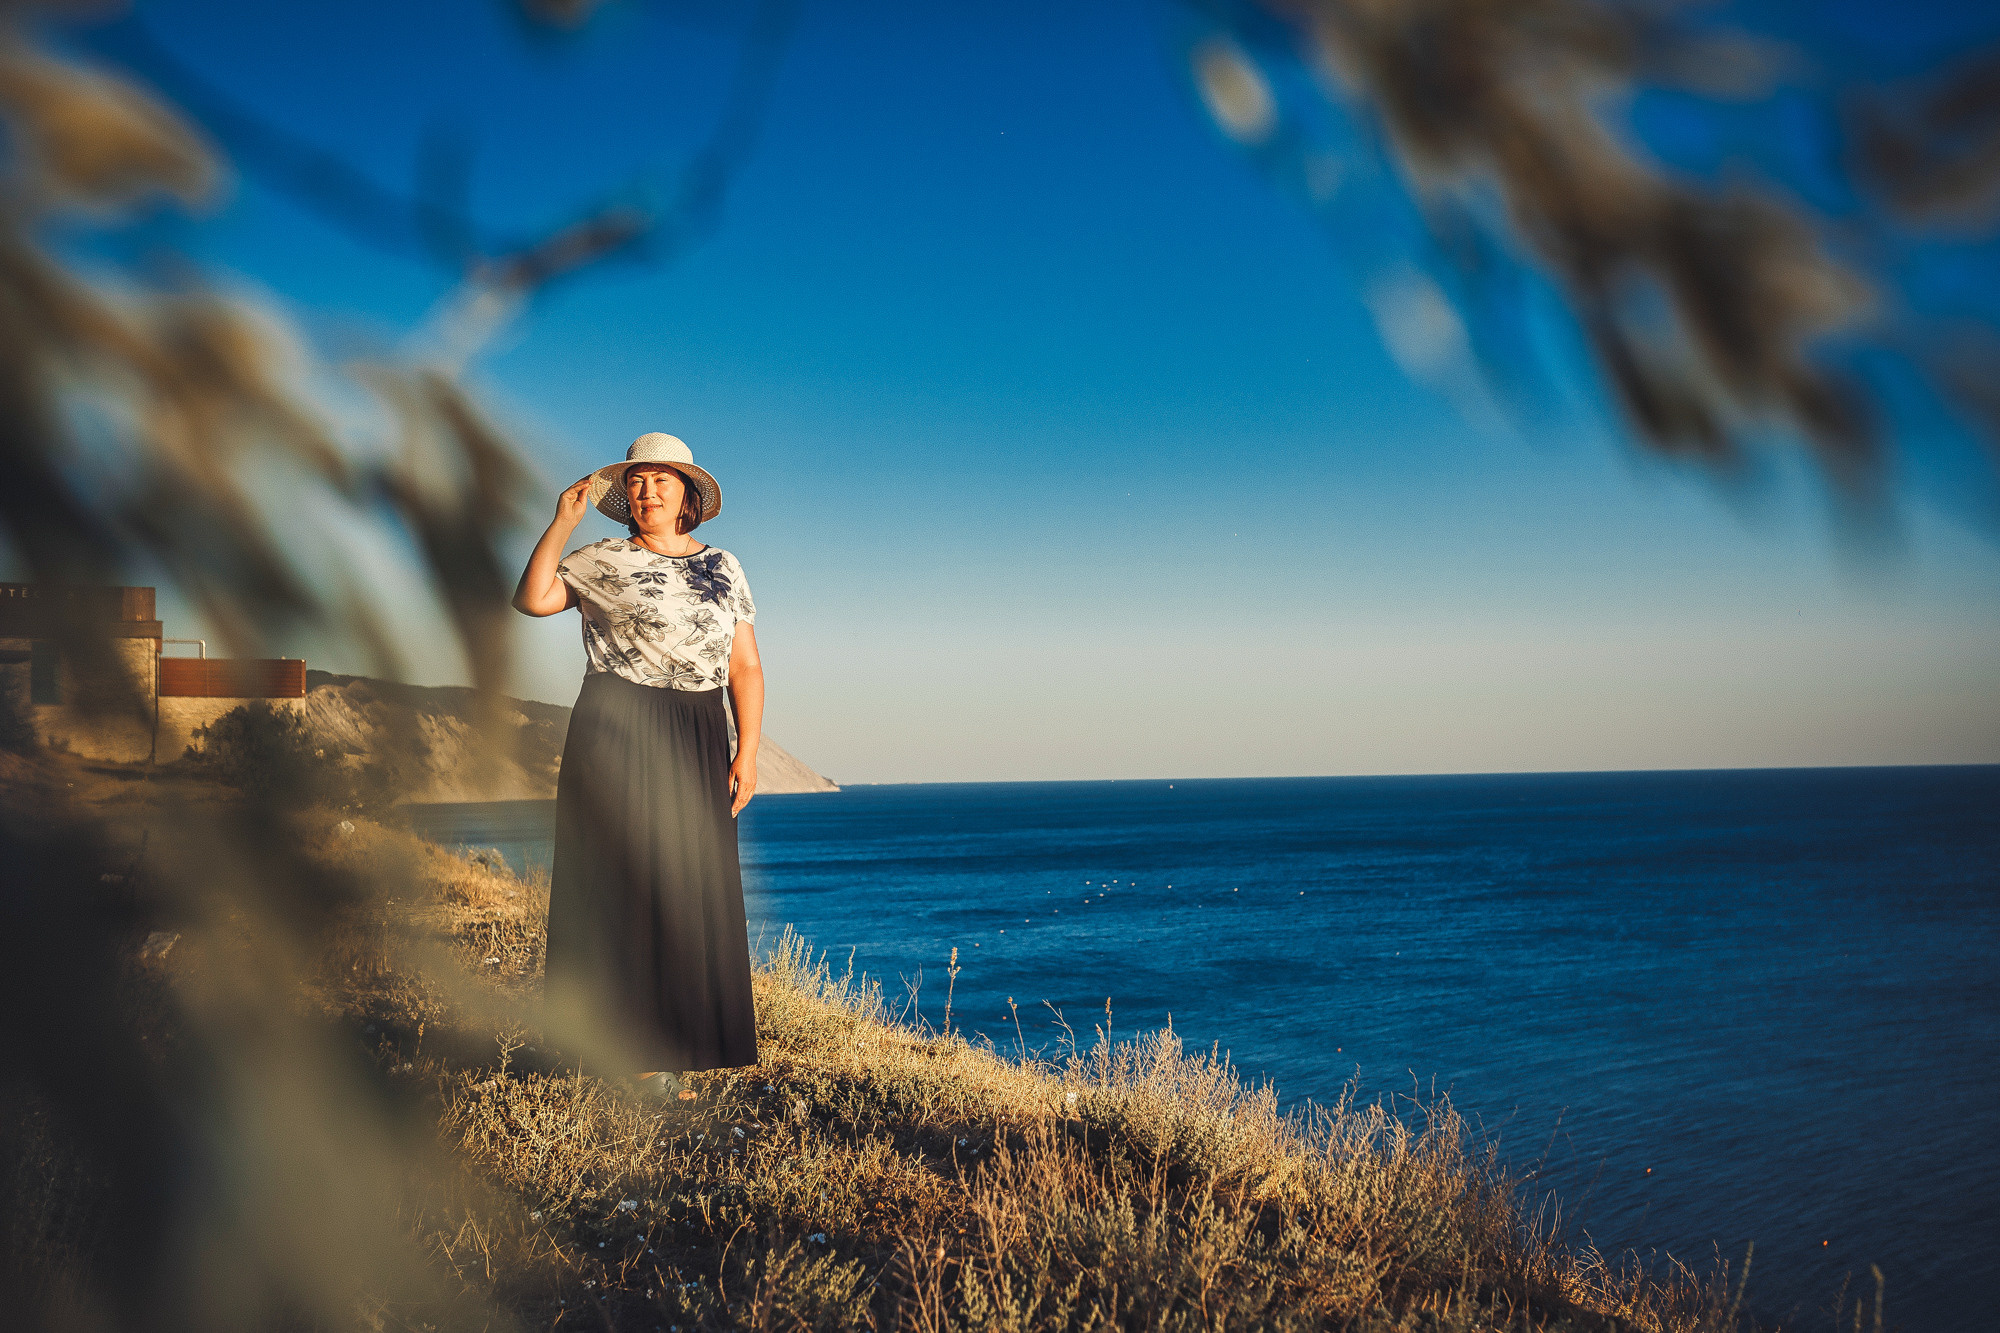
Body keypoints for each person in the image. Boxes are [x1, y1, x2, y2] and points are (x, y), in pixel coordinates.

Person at [511, 432, 763, 1097]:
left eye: (663, 479)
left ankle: (686, 1041)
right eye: (639, 481)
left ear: (687, 495)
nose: (648, 490)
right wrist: (563, 521)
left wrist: (750, 750)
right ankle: (626, 1052)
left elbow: (745, 665)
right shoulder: (602, 558)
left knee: (693, 882)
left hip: (701, 725)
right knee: (618, 880)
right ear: (626, 497)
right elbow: (533, 599)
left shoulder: (725, 566)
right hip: (617, 722)